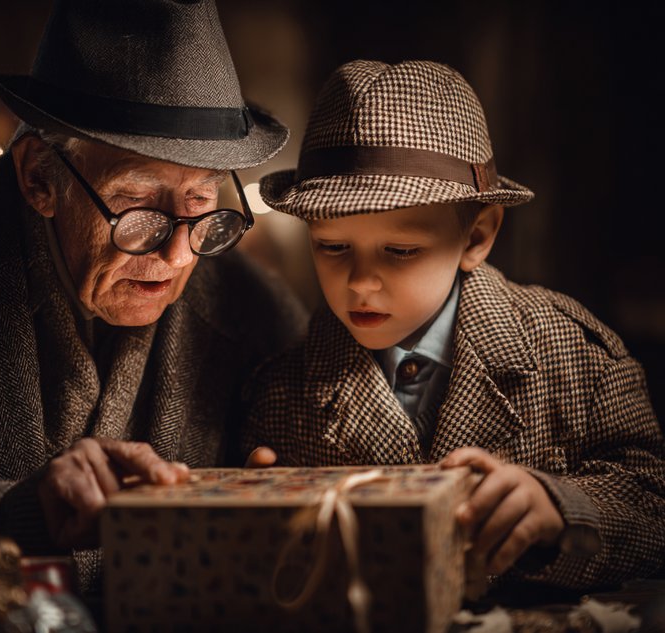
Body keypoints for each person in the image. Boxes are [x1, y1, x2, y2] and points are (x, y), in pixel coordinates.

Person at [0, 0, 306, 593]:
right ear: (38, 178)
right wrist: (6, 515)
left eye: (202, 204)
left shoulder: (257, 313)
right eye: (138, 204)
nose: (179, 255)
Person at [242, 60, 665, 591]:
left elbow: (654, 508)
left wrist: (564, 510)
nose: (361, 283)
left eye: (400, 250)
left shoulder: (577, 357)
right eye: (332, 246)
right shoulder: (279, 397)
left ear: (477, 236)